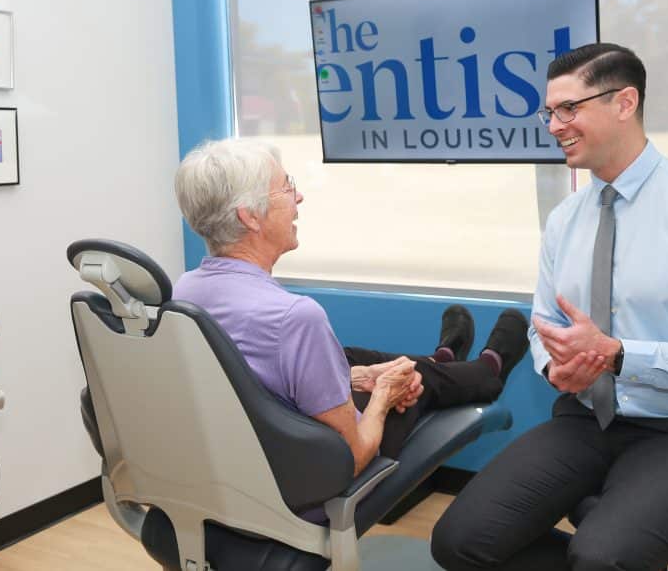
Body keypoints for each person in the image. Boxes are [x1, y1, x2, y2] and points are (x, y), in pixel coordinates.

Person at [432, 43, 668, 571]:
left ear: (625, 103)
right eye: (549, 111)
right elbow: (542, 328)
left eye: (570, 108)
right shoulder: (566, 220)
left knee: (601, 558)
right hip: (587, 420)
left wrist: (618, 355)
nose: (554, 125)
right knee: (459, 540)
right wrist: (558, 367)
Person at [171, 137, 530, 489]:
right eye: (286, 188)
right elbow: (353, 455)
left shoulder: (184, 293)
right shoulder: (295, 317)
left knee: (353, 358)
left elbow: (255, 382)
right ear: (249, 217)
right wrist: (384, 395)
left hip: (241, 469)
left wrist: (359, 377)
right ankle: (486, 371)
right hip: (308, 482)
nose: (298, 197)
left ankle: (443, 360)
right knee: (415, 376)